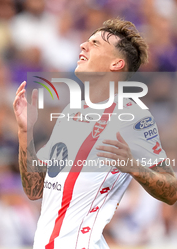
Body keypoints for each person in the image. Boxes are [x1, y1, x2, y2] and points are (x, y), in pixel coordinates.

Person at [13, 18, 177, 249]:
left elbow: (171, 190)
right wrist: (25, 133)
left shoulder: (132, 116)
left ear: (116, 64)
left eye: (95, 43)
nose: (83, 45)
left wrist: (134, 167)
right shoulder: (71, 113)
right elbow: (34, 190)